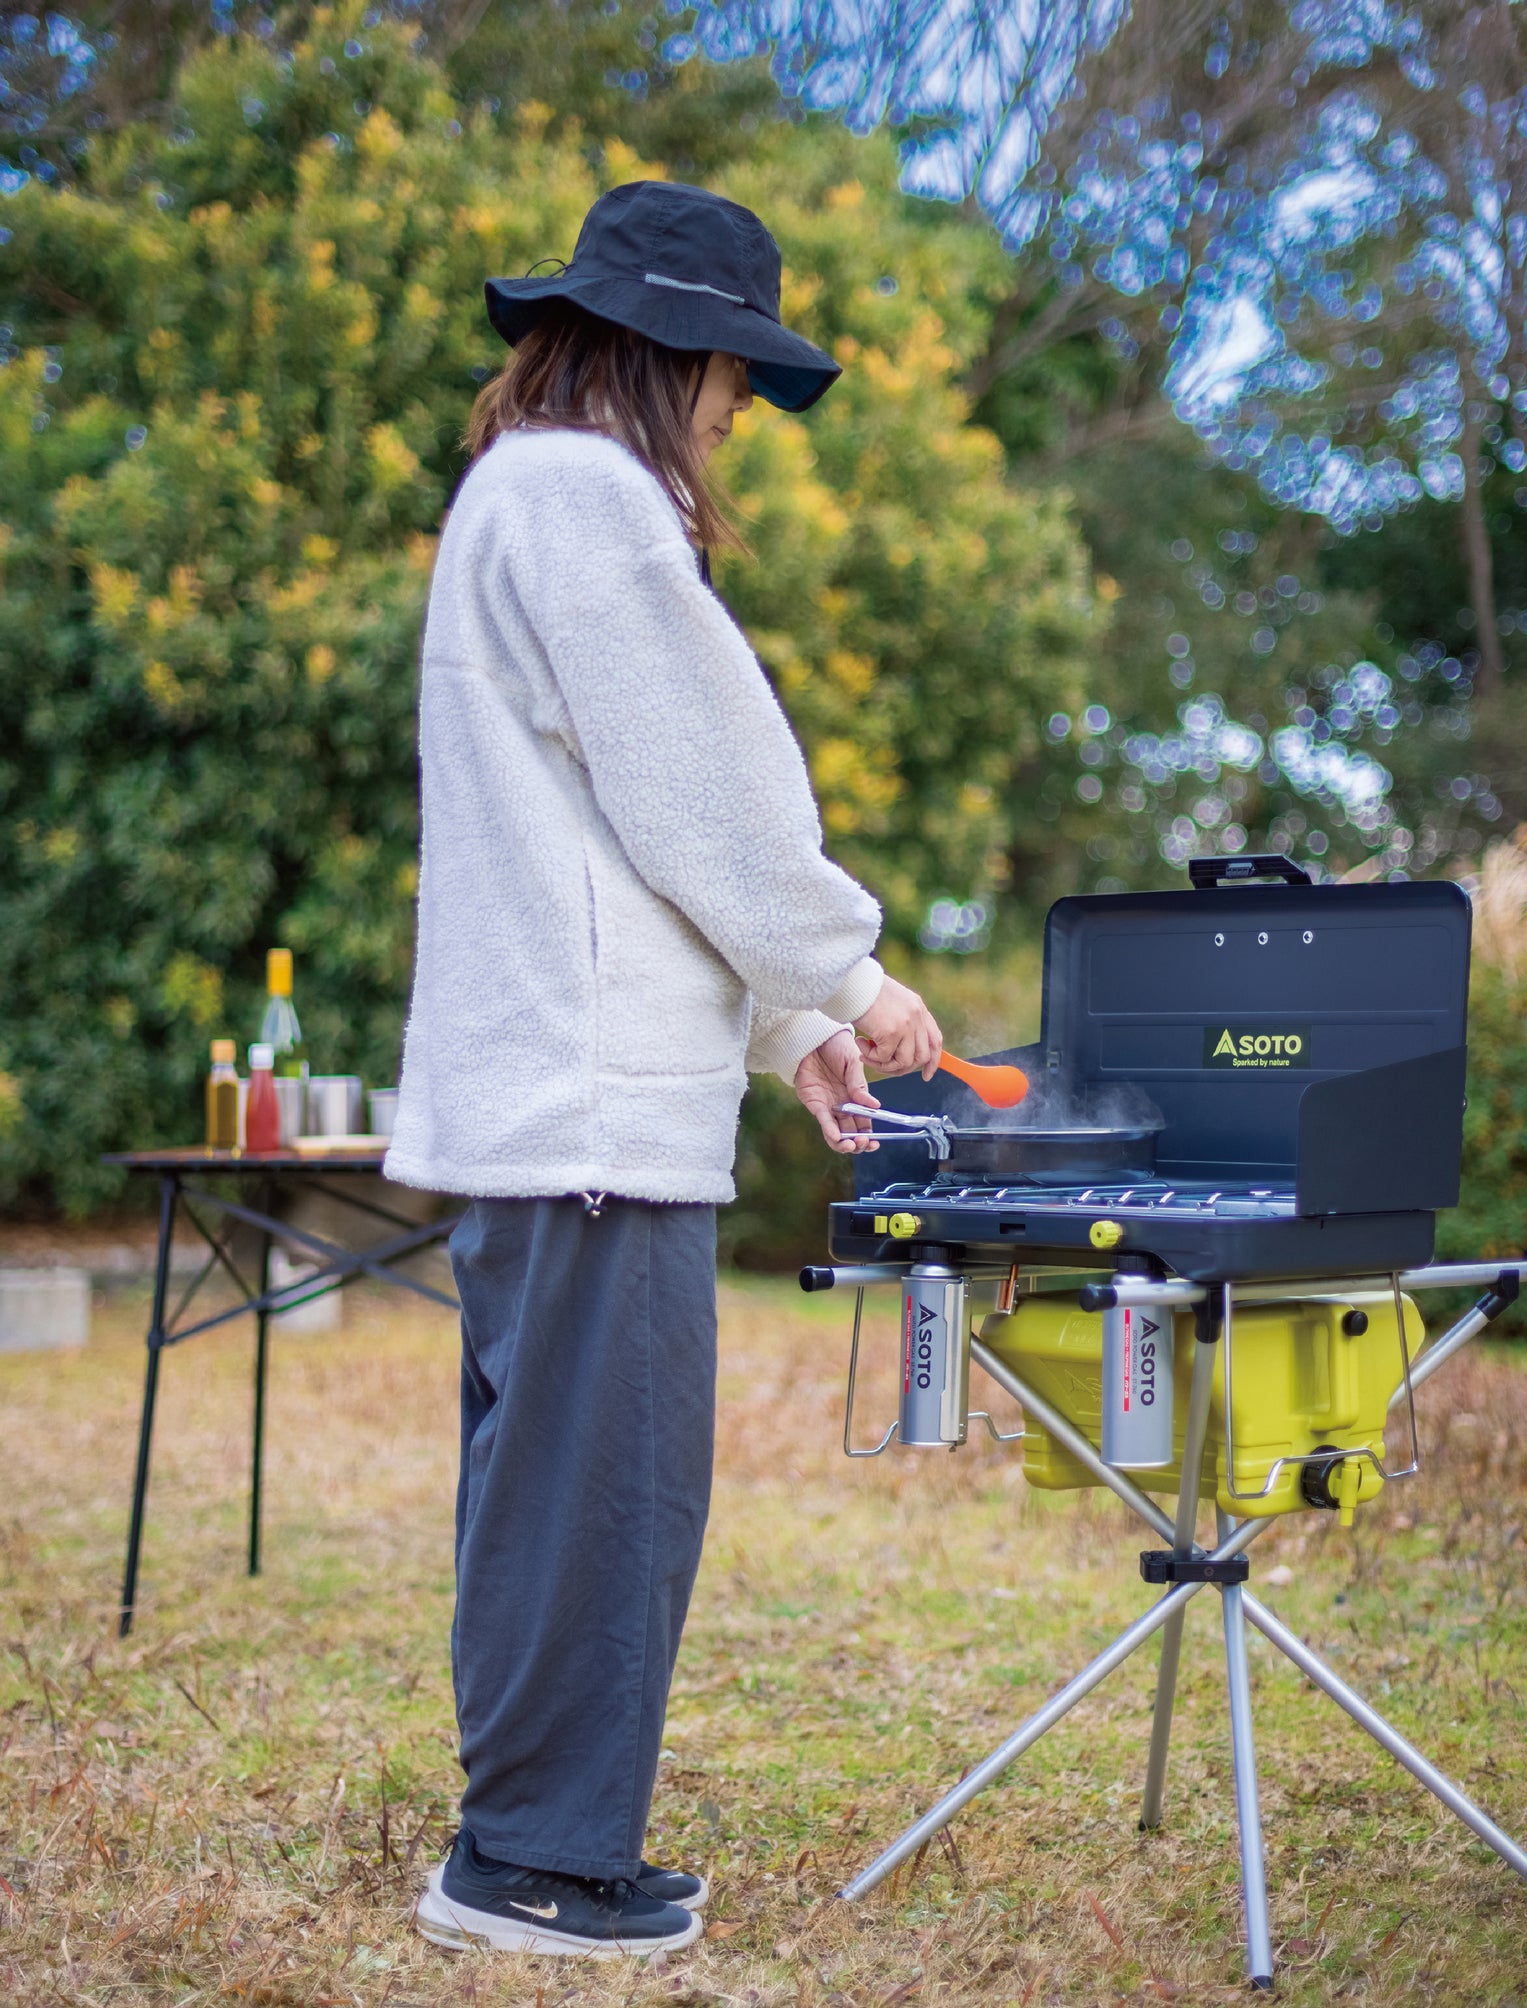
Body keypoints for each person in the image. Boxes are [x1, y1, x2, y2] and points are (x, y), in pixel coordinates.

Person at [385, 179, 942, 1960]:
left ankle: (521, 1830)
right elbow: (711, 794)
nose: (732, 419)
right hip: (589, 1111)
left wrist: (786, 1038)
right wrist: (847, 978)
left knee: (548, 1486)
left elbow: (622, 829)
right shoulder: (584, 498)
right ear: (669, 352)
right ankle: (537, 1863)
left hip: (549, 1099)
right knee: (604, 1494)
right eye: (727, 382)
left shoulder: (522, 497)